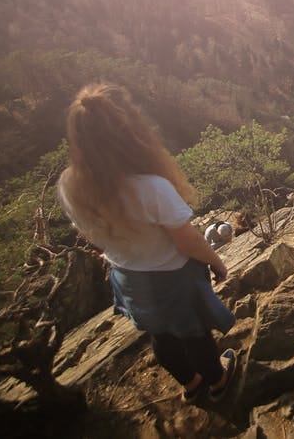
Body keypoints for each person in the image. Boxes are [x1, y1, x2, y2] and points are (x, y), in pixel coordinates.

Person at [58, 83, 238, 404]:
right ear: (129, 133)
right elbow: (188, 241)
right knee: (195, 334)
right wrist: (216, 261)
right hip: (174, 278)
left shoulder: (71, 185)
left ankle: (191, 383)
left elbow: (89, 233)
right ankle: (218, 381)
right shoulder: (151, 188)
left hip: (128, 278)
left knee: (161, 335)